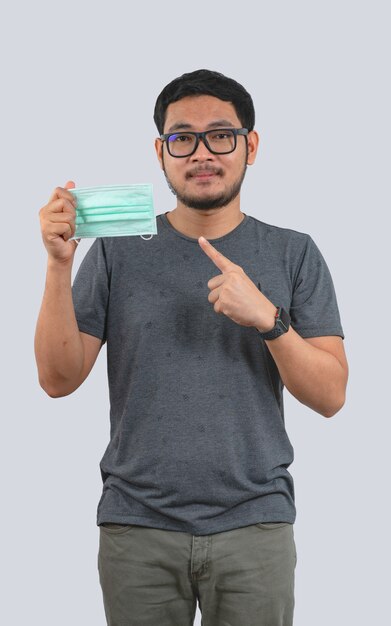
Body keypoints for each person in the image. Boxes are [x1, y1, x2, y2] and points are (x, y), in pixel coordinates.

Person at [34, 69, 349, 626]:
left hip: (256, 526)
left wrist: (269, 320)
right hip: (137, 527)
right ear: (161, 152)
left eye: (220, 134)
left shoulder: (294, 252)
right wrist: (60, 266)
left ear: (250, 145)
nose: (202, 152)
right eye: (183, 138)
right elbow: (58, 381)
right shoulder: (115, 252)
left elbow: (331, 395)